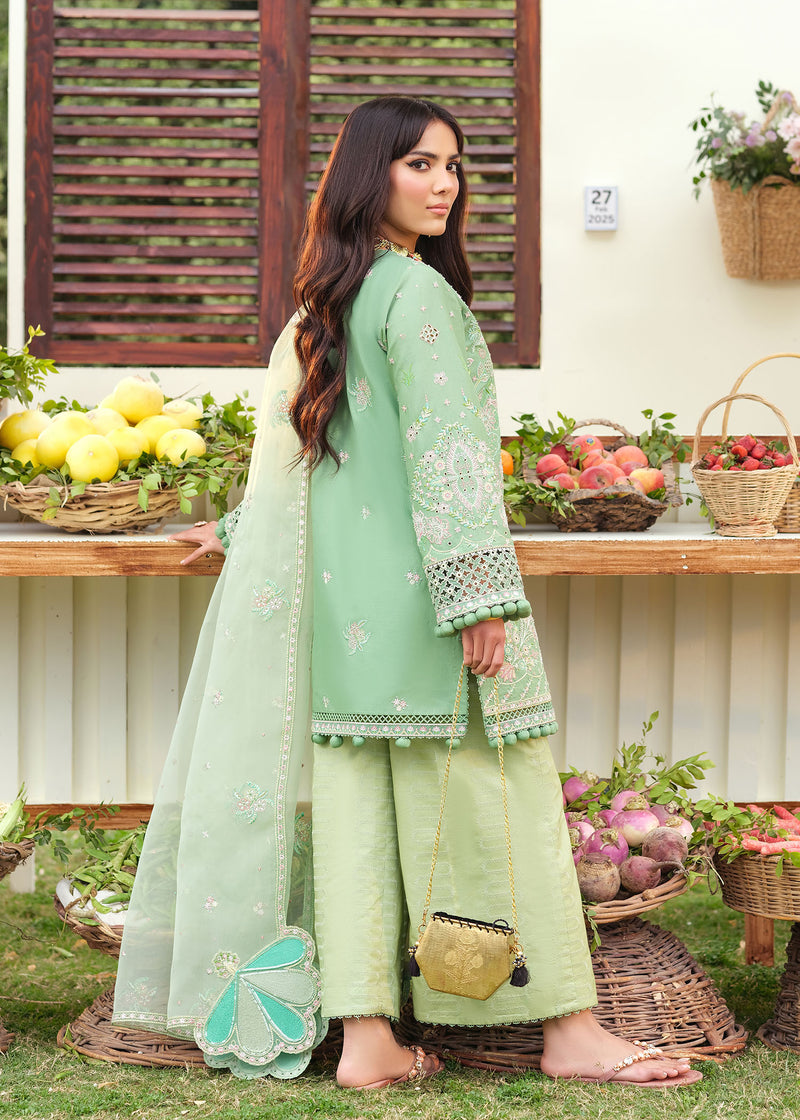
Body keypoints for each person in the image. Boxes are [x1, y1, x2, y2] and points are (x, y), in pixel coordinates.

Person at [113, 96, 701, 1090]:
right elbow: (447, 463)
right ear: (367, 174)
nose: (443, 185)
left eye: (453, 168)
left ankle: (371, 1041)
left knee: (358, 832)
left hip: (349, 633)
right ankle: (567, 1028)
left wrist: (241, 530)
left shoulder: (324, 310)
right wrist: (476, 598)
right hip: (433, 618)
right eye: (420, 164)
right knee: (499, 815)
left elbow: (315, 467)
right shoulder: (419, 299)